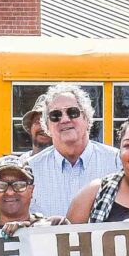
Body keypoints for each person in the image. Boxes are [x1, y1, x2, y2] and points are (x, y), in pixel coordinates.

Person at [28, 83, 113, 219]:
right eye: (55, 115)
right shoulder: (29, 170)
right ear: (47, 126)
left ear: (86, 118)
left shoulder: (117, 163)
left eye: (73, 112)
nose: (65, 119)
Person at [0, 154, 49, 233]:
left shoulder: (57, 226)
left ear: (31, 190)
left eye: (19, 185)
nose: (10, 192)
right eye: (1, 185)